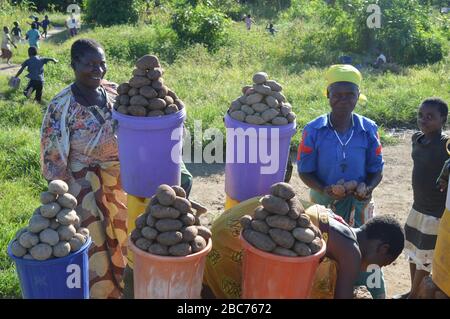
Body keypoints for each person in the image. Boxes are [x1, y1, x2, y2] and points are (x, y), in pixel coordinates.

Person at [202, 198, 405, 299]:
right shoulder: (351, 252)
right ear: (382, 249)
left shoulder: (338, 223)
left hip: (227, 226)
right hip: (234, 241)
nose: (370, 267)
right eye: (382, 265)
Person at [297, 64, 383, 227]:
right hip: (323, 203)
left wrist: (368, 188)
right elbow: (305, 171)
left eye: (350, 94)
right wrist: (324, 189)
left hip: (360, 204)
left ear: (358, 96)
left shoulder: (368, 129)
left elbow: (377, 170)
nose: (343, 100)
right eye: (337, 94)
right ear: (328, 95)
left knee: (359, 244)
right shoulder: (314, 130)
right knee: (325, 242)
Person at [394, 98, 449, 299]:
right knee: (413, 250)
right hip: (417, 207)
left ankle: (414, 296)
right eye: (420, 115)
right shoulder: (417, 139)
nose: (423, 120)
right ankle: (414, 291)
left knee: (425, 256)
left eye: (430, 117)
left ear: (443, 119)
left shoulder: (445, 144)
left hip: (435, 212)